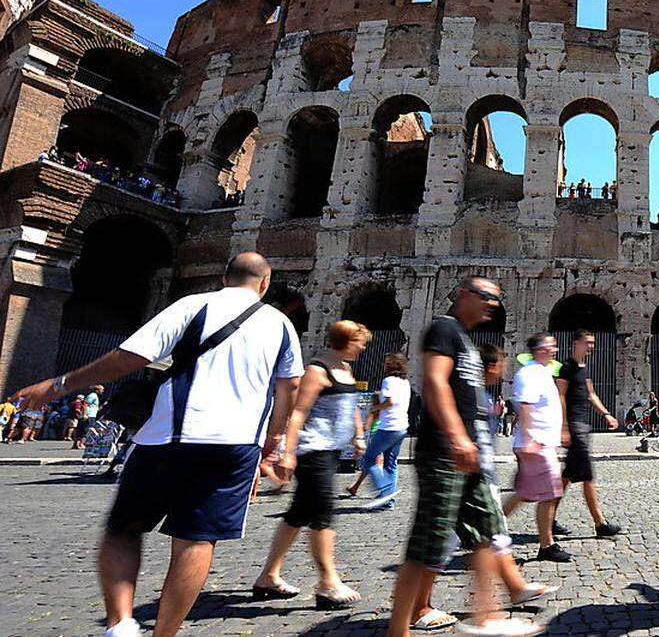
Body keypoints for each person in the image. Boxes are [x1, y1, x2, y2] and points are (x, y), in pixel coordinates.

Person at [10, 252, 304, 637]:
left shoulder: (193, 305)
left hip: (169, 435)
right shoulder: (281, 324)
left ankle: (121, 624)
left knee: (124, 529)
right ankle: (164, 633)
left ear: (223, 278)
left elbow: (129, 357)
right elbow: (290, 387)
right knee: (197, 541)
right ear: (264, 284)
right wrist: (276, 439)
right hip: (236, 445)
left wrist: (59, 385)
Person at [387, 276, 541, 637]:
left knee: (488, 534)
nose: (493, 304)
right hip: (444, 451)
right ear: (462, 294)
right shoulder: (443, 329)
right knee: (429, 541)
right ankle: (398, 630)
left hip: (468, 455)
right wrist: (458, 437)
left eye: (497, 299)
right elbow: (435, 383)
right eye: (487, 296)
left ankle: (487, 615)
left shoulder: (467, 342)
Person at [252, 320, 370, 608]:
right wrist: (288, 453)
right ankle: (328, 583)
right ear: (345, 341)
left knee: (297, 514)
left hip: (330, 450)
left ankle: (268, 576)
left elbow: (351, 404)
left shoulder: (344, 369)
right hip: (312, 450)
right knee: (323, 513)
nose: (364, 347)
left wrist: (358, 435)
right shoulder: (317, 371)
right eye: (360, 341)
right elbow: (299, 413)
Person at [502, 333, 571, 563]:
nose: (556, 350)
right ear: (540, 349)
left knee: (525, 493)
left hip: (540, 443)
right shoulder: (529, 373)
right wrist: (531, 438)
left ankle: (486, 531)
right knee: (552, 492)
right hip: (536, 444)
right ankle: (547, 545)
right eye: (552, 346)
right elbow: (525, 405)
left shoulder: (542, 371)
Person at [555, 329, 622, 538]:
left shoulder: (584, 368)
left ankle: (548, 517)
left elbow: (591, 394)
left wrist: (606, 414)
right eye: (588, 342)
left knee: (567, 477)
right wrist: (564, 426)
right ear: (576, 343)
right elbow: (561, 396)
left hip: (582, 425)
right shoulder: (567, 368)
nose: (591, 346)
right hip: (575, 426)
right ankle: (600, 524)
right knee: (588, 476)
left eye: (593, 343)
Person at [361, 353, 416, 510]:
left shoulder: (388, 381)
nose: (384, 365)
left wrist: (375, 407)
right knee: (391, 463)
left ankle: (385, 490)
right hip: (401, 426)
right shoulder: (405, 382)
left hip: (388, 427)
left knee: (368, 458)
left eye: (387, 363)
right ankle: (388, 501)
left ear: (393, 365)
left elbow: (390, 402)